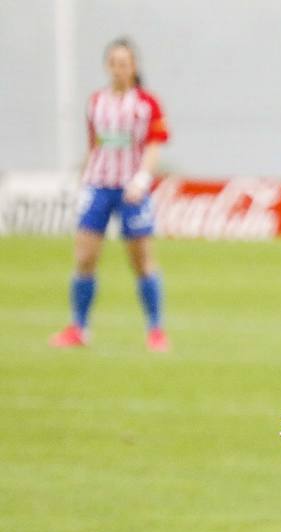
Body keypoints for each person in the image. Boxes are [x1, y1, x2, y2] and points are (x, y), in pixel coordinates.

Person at [50, 37, 170, 352]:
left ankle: (156, 330)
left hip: (131, 189)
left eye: (125, 64)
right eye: (114, 63)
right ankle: (79, 327)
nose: (119, 69)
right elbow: (96, 146)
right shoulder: (95, 102)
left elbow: (155, 144)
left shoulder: (146, 104)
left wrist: (142, 179)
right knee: (85, 257)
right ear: (107, 66)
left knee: (142, 260)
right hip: (99, 185)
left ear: (134, 67)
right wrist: (81, 177)